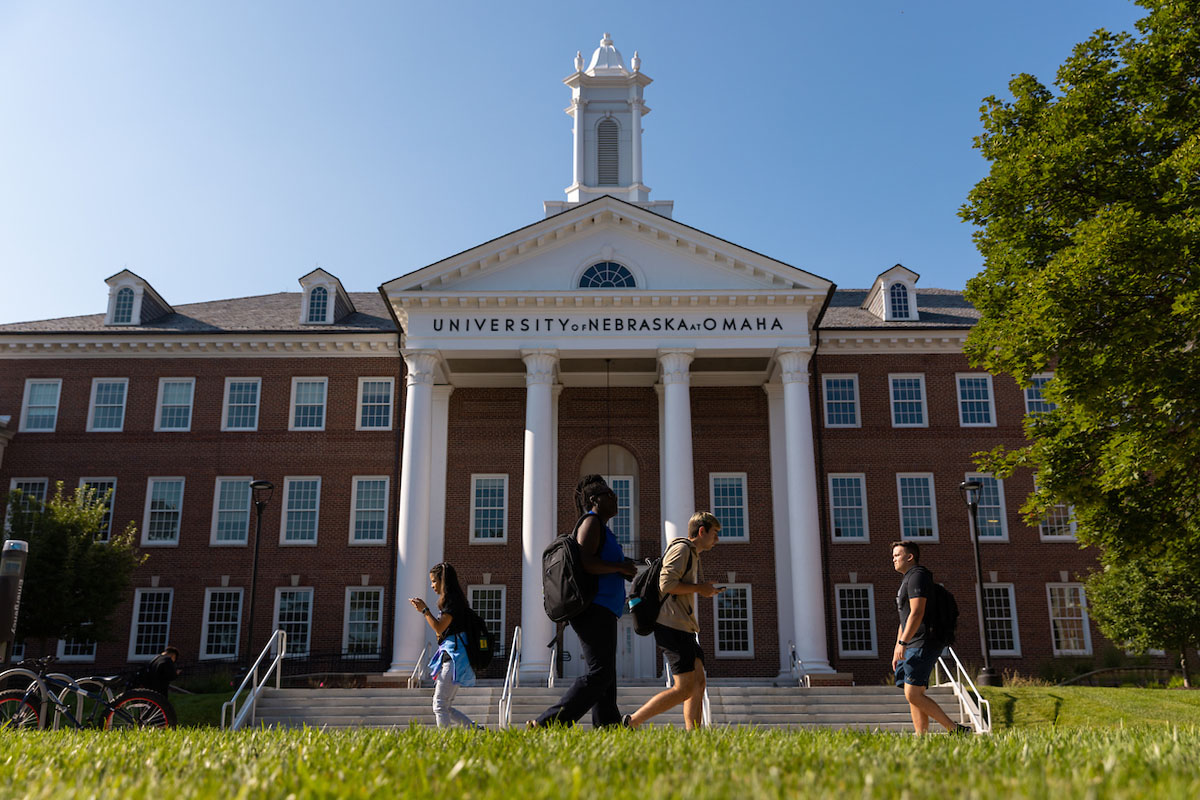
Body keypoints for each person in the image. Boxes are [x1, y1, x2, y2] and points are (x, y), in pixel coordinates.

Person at [529, 474, 637, 728]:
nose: (615, 497)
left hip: (604, 610)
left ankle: (608, 727)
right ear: (594, 500)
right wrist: (620, 567)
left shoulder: (602, 527)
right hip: (593, 608)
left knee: (606, 676)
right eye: (609, 494)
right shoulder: (591, 522)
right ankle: (549, 723)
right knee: (600, 673)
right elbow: (586, 563)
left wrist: (622, 567)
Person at [624, 511, 722, 731]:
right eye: (714, 534)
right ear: (701, 531)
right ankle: (631, 722)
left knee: (698, 683)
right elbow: (666, 585)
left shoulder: (692, 553)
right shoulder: (682, 549)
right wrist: (700, 589)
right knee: (684, 687)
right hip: (671, 625)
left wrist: (703, 590)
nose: (717, 540)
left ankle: (694, 736)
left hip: (684, 626)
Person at [891, 540, 971, 735]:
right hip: (911, 642)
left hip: (924, 641)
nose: (893, 559)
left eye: (897, 555)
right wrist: (898, 646)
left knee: (913, 693)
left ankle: (956, 730)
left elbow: (917, 613)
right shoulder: (907, 580)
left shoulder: (918, 577)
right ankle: (921, 737)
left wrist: (904, 642)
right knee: (914, 694)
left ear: (910, 557)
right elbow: (905, 618)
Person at [410, 562, 480, 729]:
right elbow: (443, 630)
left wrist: (425, 610)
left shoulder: (452, 601)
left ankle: (445, 742)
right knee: (445, 706)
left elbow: (439, 627)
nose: (432, 585)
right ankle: (475, 730)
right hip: (455, 656)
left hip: (456, 658)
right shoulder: (453, 601)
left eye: (434, 581)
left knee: (439, 704)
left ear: (444, 580)